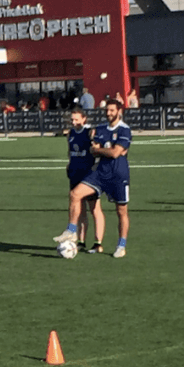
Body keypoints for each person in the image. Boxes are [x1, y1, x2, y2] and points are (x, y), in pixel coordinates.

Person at [54, 99, 131, 258]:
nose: (108, 113)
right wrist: (103, 150)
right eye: (107, 110)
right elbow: (94, 149)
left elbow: (115, 153)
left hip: (118, 175)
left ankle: (121, 245)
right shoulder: (100, 129)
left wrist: (101, 150)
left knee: (121, 211)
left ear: (119, 111)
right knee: (75, 194)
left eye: (112, 110)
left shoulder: (124, 130)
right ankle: (71, 231)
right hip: (100, 173)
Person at [65, 108, 105, 253]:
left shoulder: (89, 133)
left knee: (94, 208)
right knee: (80, 210)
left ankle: (98, 243)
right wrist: (69, 165)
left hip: (89, 176)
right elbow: (70, 152)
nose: (74, 122)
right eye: (72, 119)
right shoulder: (70, 134)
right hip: (75, 174)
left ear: (84, 119)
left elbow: (97, 150)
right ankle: (81, 242)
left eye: (76, 119)